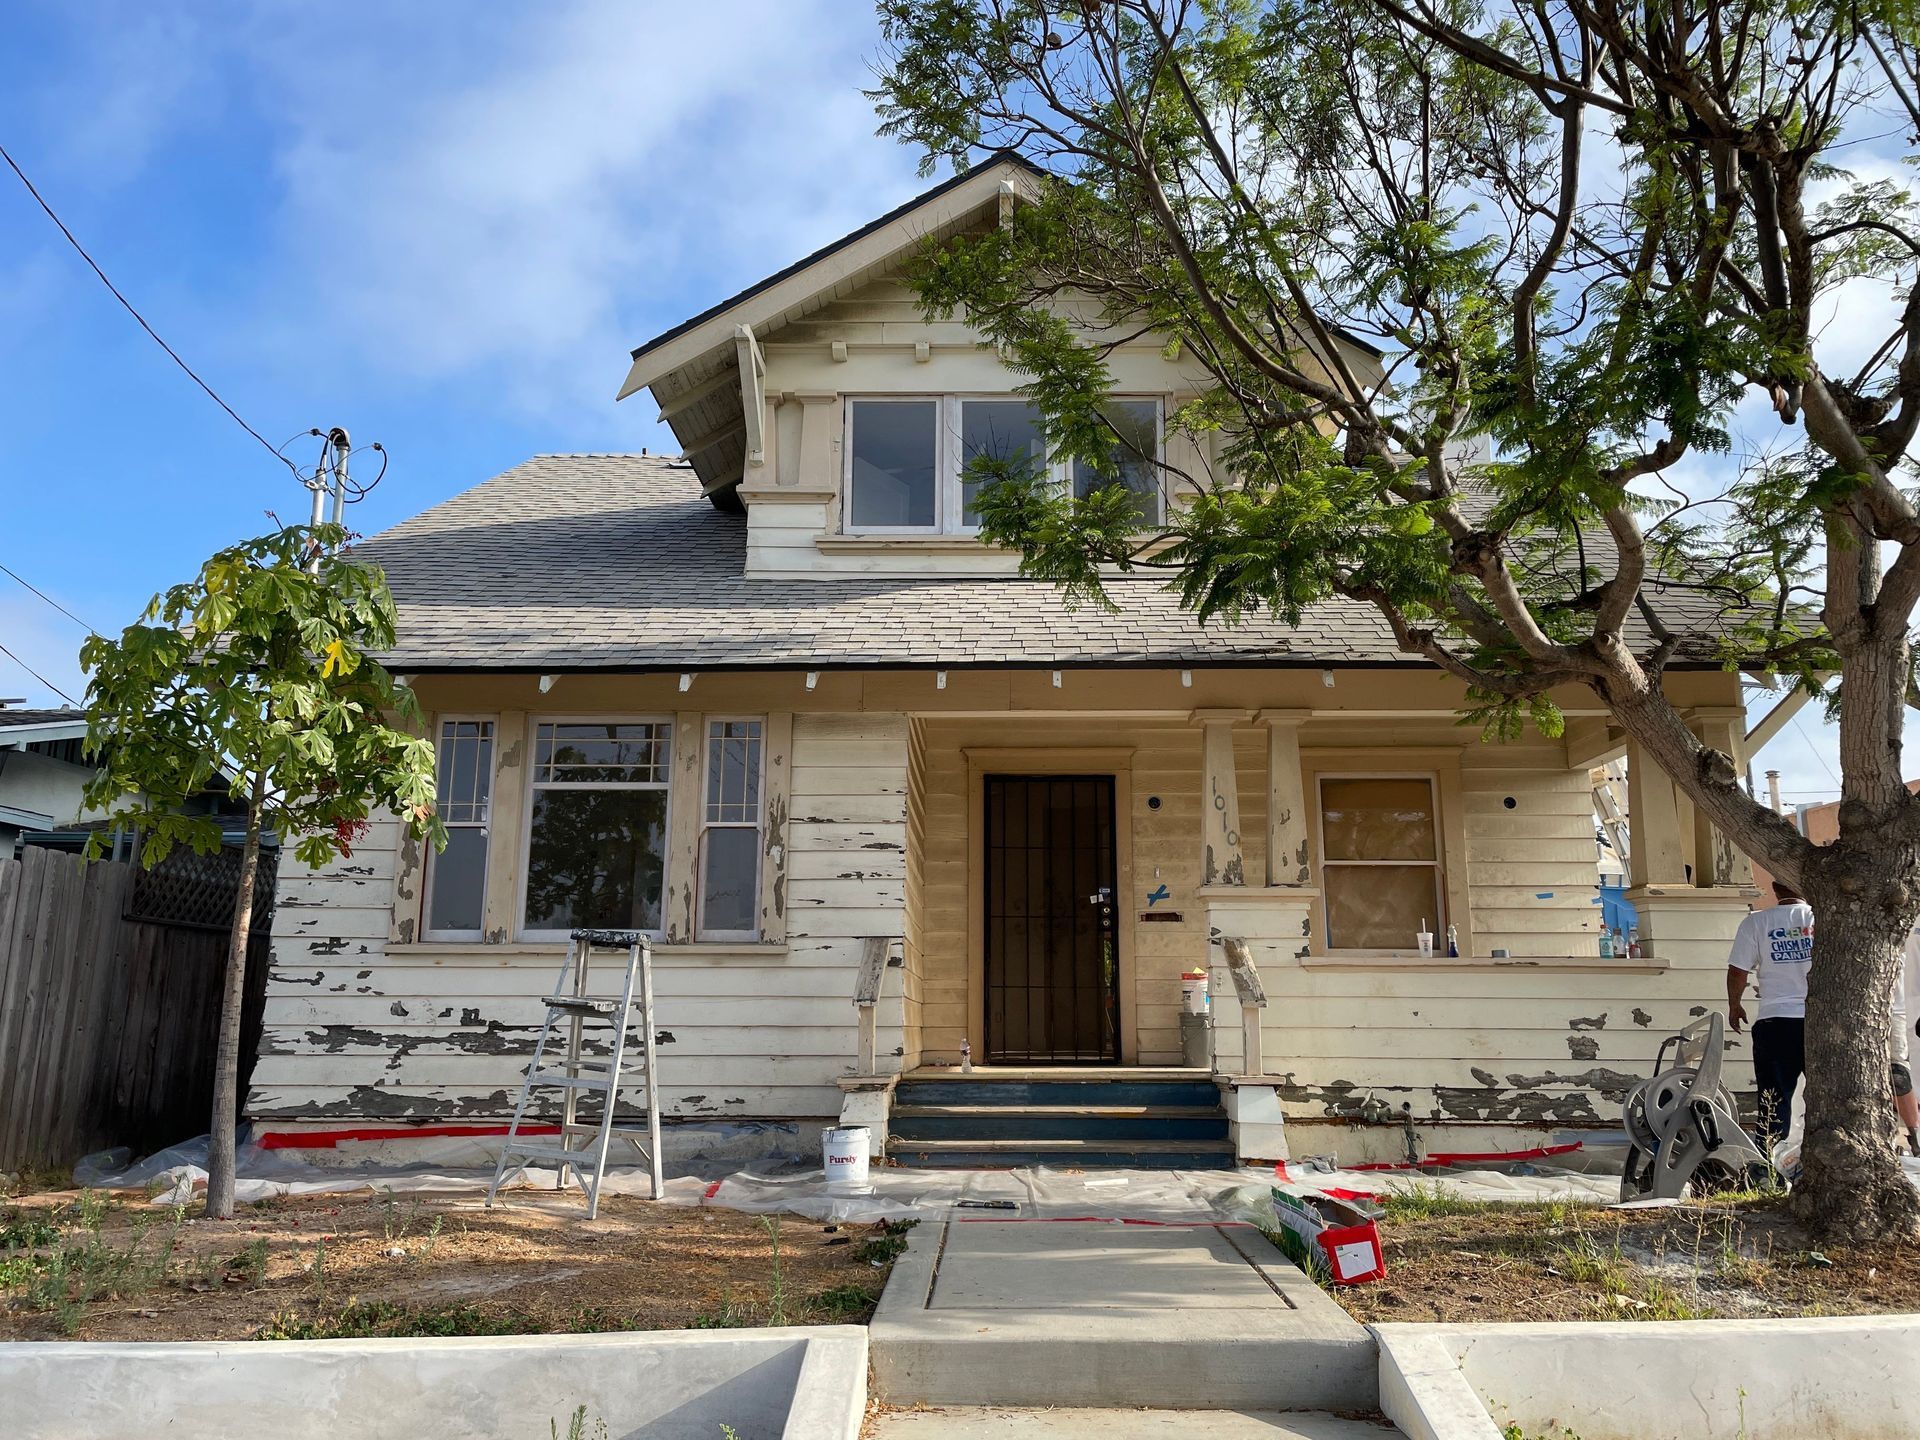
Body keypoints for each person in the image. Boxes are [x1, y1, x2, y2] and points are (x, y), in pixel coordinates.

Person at [1726, 880, 1814, 1146]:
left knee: (1774, 1097)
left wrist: (1735, 1004)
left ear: (1775, 889)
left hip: (1775, 1019)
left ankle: (1769, 1160)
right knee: (1826, 1094)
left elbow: (1738, 971)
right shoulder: (1819, 917)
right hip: (1818, 1021)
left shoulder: (1756, 923)